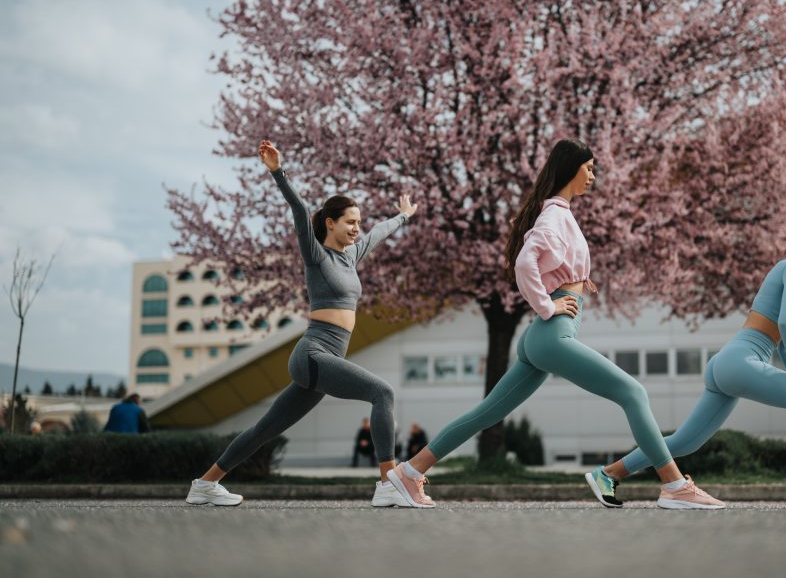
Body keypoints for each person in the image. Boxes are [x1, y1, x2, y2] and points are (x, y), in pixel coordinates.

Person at [386, 138, 722, 510]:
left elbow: (544, 263)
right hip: (551, 335)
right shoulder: (554, 216)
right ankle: (674, 486)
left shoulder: (560, 212)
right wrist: (547, 307)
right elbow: (524, 264)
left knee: (486, 414)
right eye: (589, 168)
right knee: (633, 393)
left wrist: (564, 293)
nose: (593, 175)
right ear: (570, 168)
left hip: (543, 337)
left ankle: (408, 473)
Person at [588, 222, 786, 510]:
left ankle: (608, 474)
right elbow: (785, 323)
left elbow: (782, 341)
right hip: (740, 361)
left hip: (727, 362)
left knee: (684, 441)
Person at [186, 140, 416, 507]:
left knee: (266, 430)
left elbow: (378, 234)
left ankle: (204, 484)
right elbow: (299, 207)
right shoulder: (316, 254)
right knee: (382, 393)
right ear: (331, 223)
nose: (358, 229)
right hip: (313, 353)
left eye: (358, 222)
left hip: (322, 360)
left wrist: (403, 216)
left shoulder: (351, 255)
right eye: (351, 222)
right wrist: (278, 172)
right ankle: (388, 483)